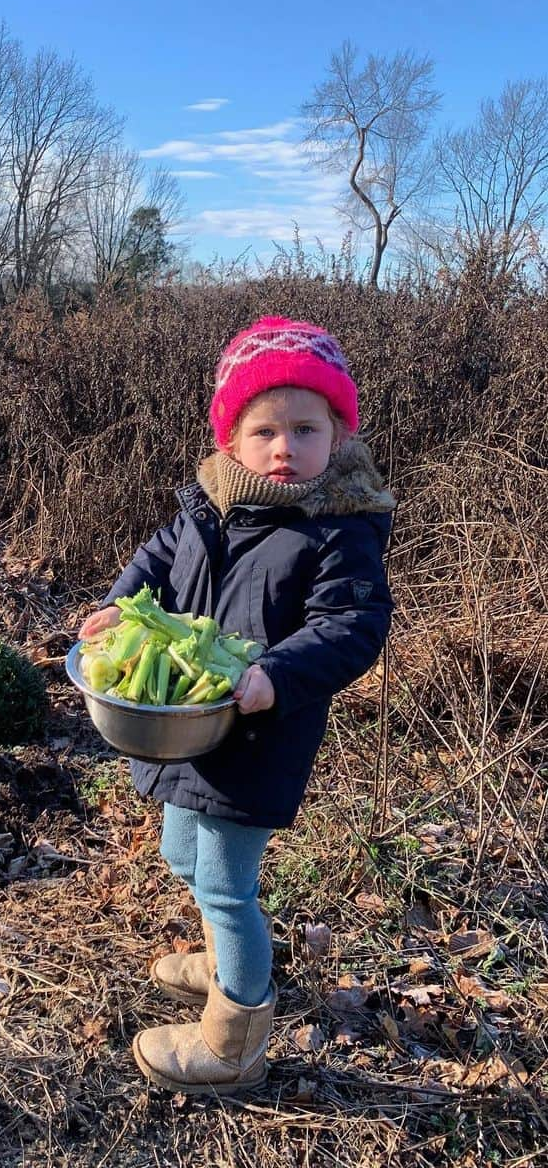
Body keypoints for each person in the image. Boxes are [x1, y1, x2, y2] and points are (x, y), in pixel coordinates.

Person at [77, 315, 395, 1095]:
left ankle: (235, 1038)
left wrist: (275, 675)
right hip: (187, 732)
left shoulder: (338, 530)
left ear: (338, 435)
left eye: (306, 429)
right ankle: (225, 956)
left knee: (225, 883)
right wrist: (122, 605)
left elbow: (352, 625)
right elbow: (155, 560)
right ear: (232, 439)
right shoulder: (209, 504)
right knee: (179, 854)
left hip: (257, 733)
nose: (285, 447)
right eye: (264, 430)